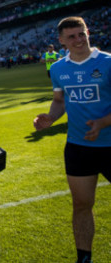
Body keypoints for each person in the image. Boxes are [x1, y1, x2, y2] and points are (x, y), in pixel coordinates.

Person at [33, 16, 111, 263]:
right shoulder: (58, 68)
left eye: (81, 34)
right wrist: (50, 119)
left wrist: (103, 122)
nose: (78, 40)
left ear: (88, 33)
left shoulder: (108, 62)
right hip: (78, 147)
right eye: (71, 36)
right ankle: (84, 258)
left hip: (110, 143)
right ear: (61, 41)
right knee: (81, 205)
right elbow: (59, 101)